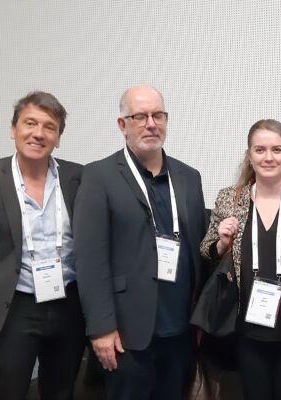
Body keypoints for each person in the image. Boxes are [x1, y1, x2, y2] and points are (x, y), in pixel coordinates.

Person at [75, 85, 208, 400]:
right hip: (126, 334)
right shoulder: (99, 176)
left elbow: (198, 250)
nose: (151, 124)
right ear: (122, 125)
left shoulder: (189, 178)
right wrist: (101, 328)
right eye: (140, 117)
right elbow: (90, 261)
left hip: (180, 330)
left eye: (158, 115)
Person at [0, 91, 85, 399]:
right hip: (14, 307)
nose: (38, 133)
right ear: (13, 129)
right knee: (7, 390)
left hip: (68, 304)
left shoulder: (78, 178)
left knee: (62, 390)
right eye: (30, 123)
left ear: (58, 138)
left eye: (49, 127)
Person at [200, 119, 281, 400]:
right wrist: (222, 243)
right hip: (247, 332)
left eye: (276, 149)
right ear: (249, 155)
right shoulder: (230, 199)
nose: (268, 157)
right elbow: (206, 252)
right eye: (260, 150)